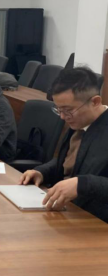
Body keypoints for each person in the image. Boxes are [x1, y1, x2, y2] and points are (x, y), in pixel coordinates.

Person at [19, 67, 108, 222]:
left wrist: (82, 184)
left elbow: (81, 179)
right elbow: (68, 162)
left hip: (95, 221)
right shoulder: (79, 123)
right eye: (58, 110)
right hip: (69, 211)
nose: (62, 117)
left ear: (95, 102)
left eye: (68, 110)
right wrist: (41, 172)